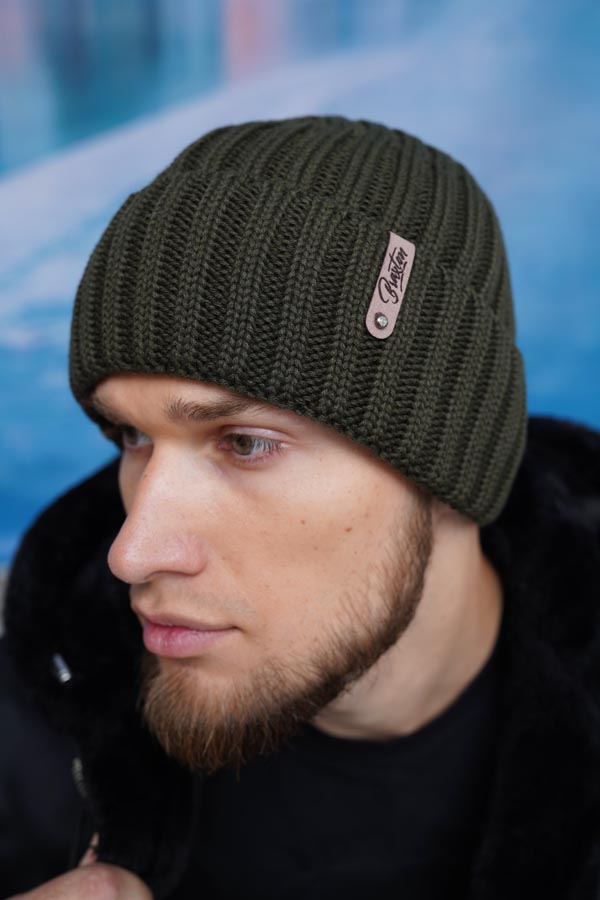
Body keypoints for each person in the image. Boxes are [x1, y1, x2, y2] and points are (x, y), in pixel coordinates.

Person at [2, 115, 599, 900]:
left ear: (451, 466)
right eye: (132, 436)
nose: (133, 552)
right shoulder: (29, 738)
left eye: (246, 443)